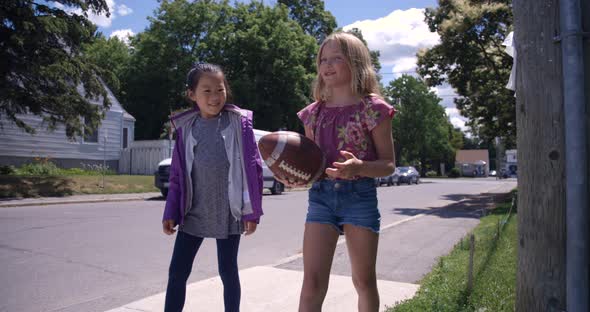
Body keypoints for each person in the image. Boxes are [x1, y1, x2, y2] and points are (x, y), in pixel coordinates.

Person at [295, 32, 396, 312]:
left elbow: (389, 165)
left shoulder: (374, 109)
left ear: (355, 62)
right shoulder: (312, 115)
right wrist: (293, 175)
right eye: (323, 60)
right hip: (321, 198)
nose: (327, 65)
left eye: (336, 58)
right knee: (312, 284)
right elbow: (312, 166)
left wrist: (359, 167)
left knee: (363, 281)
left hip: (360, 198)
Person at [162, 63, 263, 312]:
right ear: (191, 94)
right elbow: (177, 175)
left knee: (228, 272)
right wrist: (171, 212)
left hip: (227, 212)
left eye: (220, 89)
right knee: (177, 273)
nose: (215, 97)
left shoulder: (239, 124)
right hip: (193, 212)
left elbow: (253, 169)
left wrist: (253, 212)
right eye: (206, 91)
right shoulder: (186, 129)